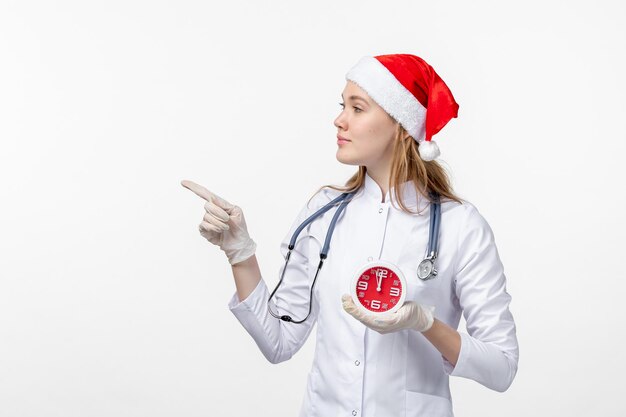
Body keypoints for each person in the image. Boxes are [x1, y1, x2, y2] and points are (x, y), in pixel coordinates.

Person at [181, 53, 519, 417]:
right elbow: (278, 342)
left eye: (358, 109)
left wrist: (425, 324)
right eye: (343, 106)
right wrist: (240, 254)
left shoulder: (460, 225)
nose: (339, 120)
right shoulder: (323, 214)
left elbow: (502, 367)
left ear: (402, 125)